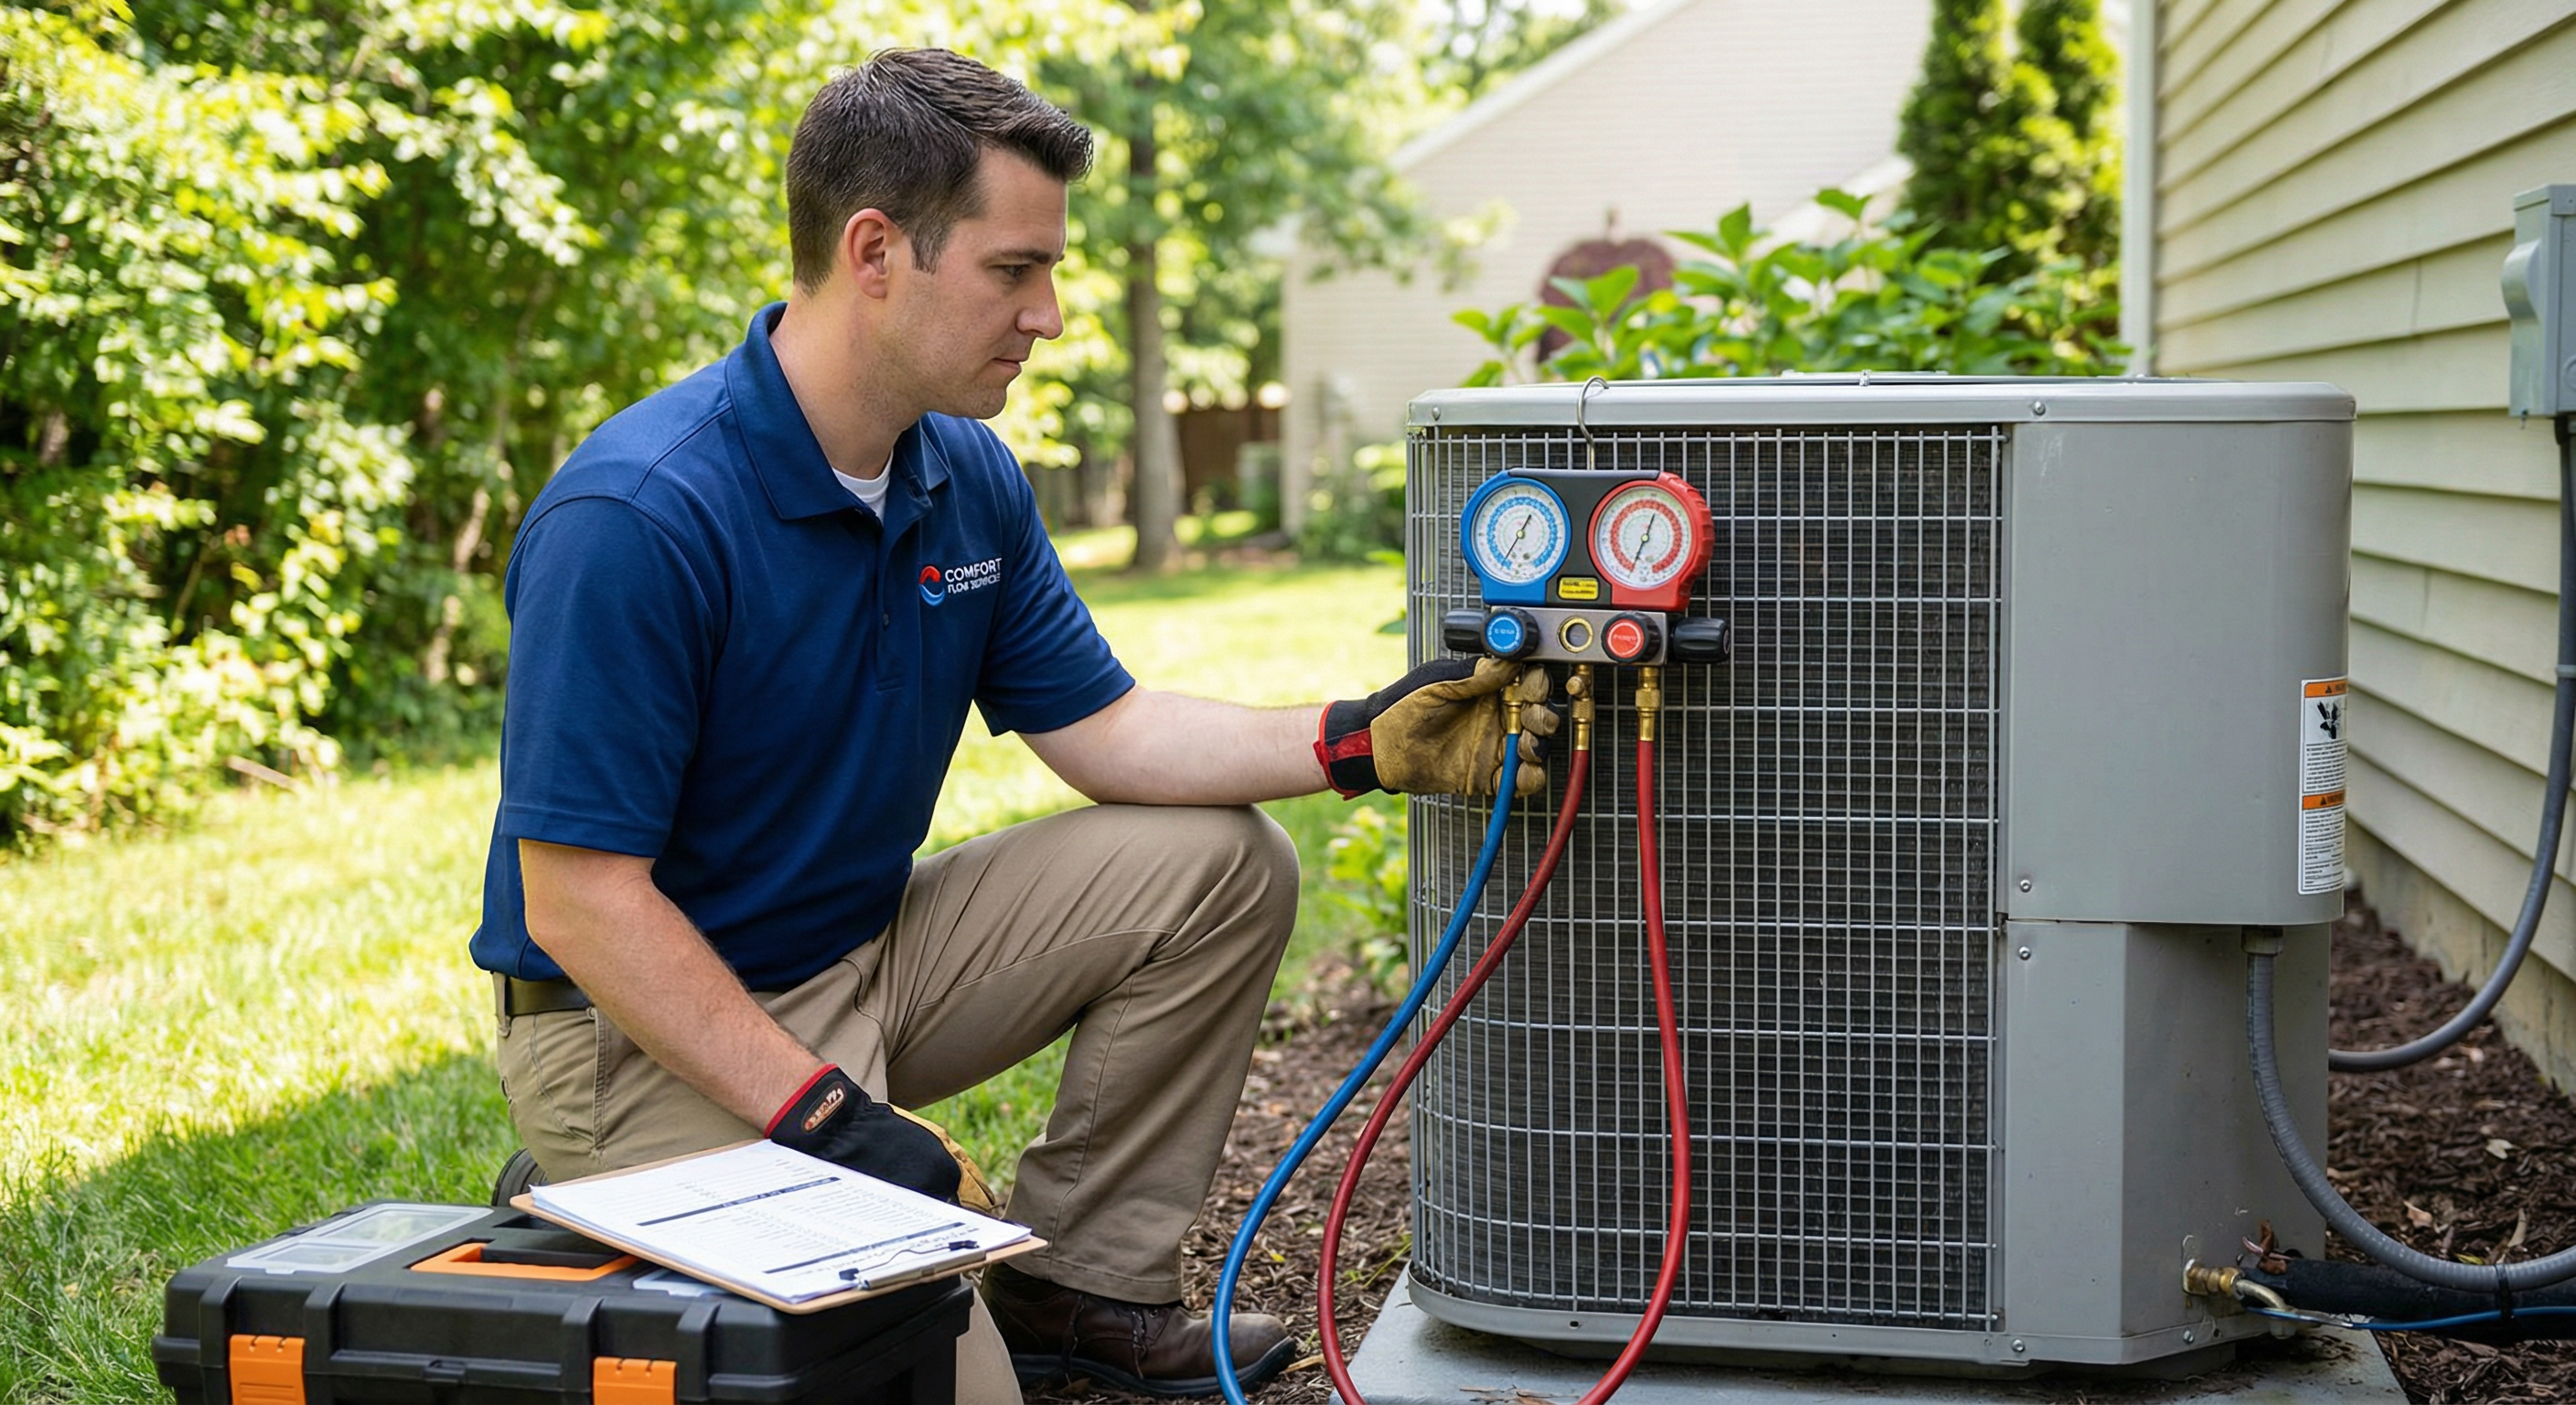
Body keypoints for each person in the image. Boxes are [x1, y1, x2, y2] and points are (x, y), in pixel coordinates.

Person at [473, 48, 1551, 1402]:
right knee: (950, 1386)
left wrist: (1358, 741)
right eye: (1012, 270)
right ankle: (617, 1175)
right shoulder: (638, 517)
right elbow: (580, 905)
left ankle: (1077, 1285)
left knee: (1217, 866)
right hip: (635, 1028)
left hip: (858, 957)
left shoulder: (959, 467)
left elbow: (1104, 731)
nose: (1046, 315)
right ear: (876, 250)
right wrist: (834, 1122)